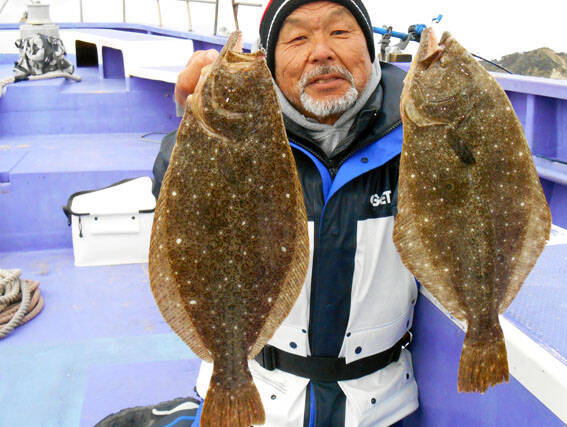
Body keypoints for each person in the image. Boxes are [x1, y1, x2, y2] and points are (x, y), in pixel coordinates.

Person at [115, 1, 417, 426]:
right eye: (297, 38)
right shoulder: (237, 132)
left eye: (340, 32)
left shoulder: (422, 139)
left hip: (381, 406)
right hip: (259, 395)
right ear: (272, 65)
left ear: (369, 49)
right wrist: (188, 123)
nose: (321, 52)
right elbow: (172, 191)